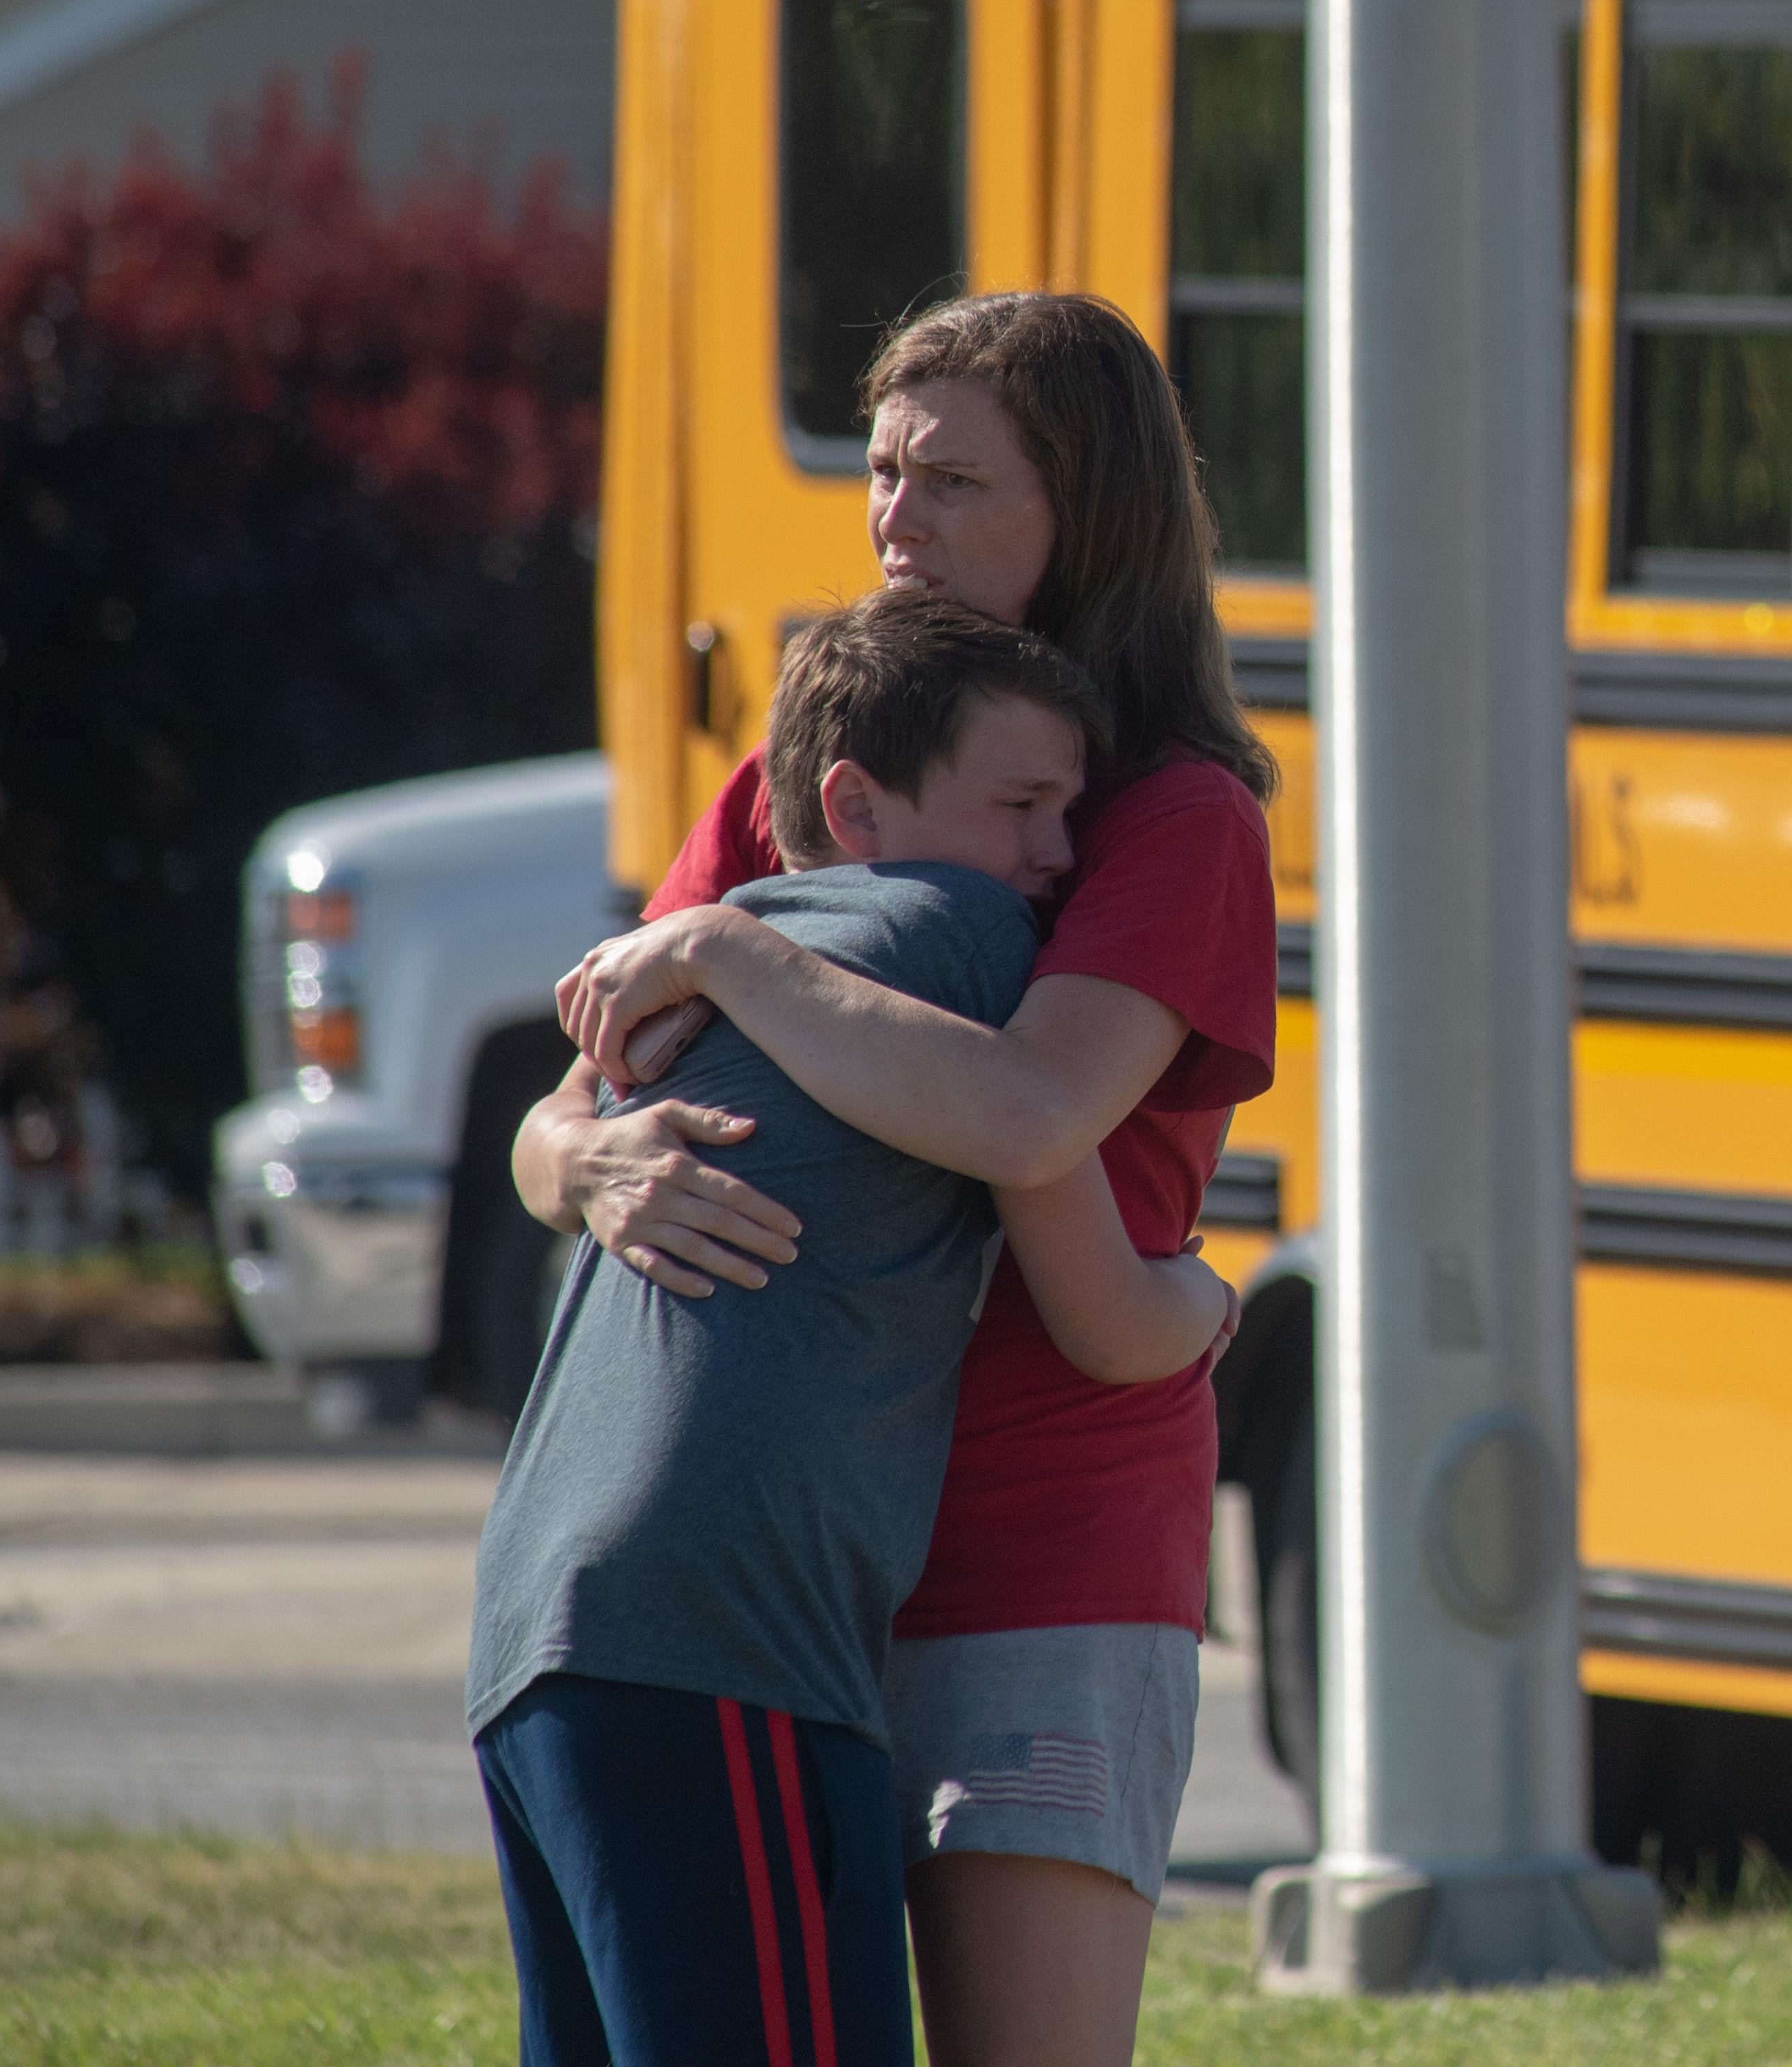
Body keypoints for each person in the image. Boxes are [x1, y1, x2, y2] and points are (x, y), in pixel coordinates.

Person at [515, 293, 1280, 2067]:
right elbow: (559, 1117)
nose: (894, 518)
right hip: (792, 1555)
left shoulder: (1170, 819)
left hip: (1047, 1547)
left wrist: (726, 946)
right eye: (880, 470)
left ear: (1085, 513)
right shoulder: (810, 784)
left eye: (952, 480)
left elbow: (1032, 1110)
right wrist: (596, 1169)